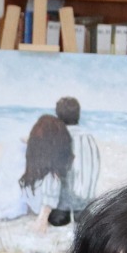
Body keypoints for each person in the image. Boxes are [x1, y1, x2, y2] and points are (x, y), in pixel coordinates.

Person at [52, 95, 101, 227]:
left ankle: (65, 212)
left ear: (58, 117)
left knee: (57, 218)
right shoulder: (88, 137)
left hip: (65, 201)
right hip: (85, 200)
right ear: (78, 115)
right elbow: (95, 165)